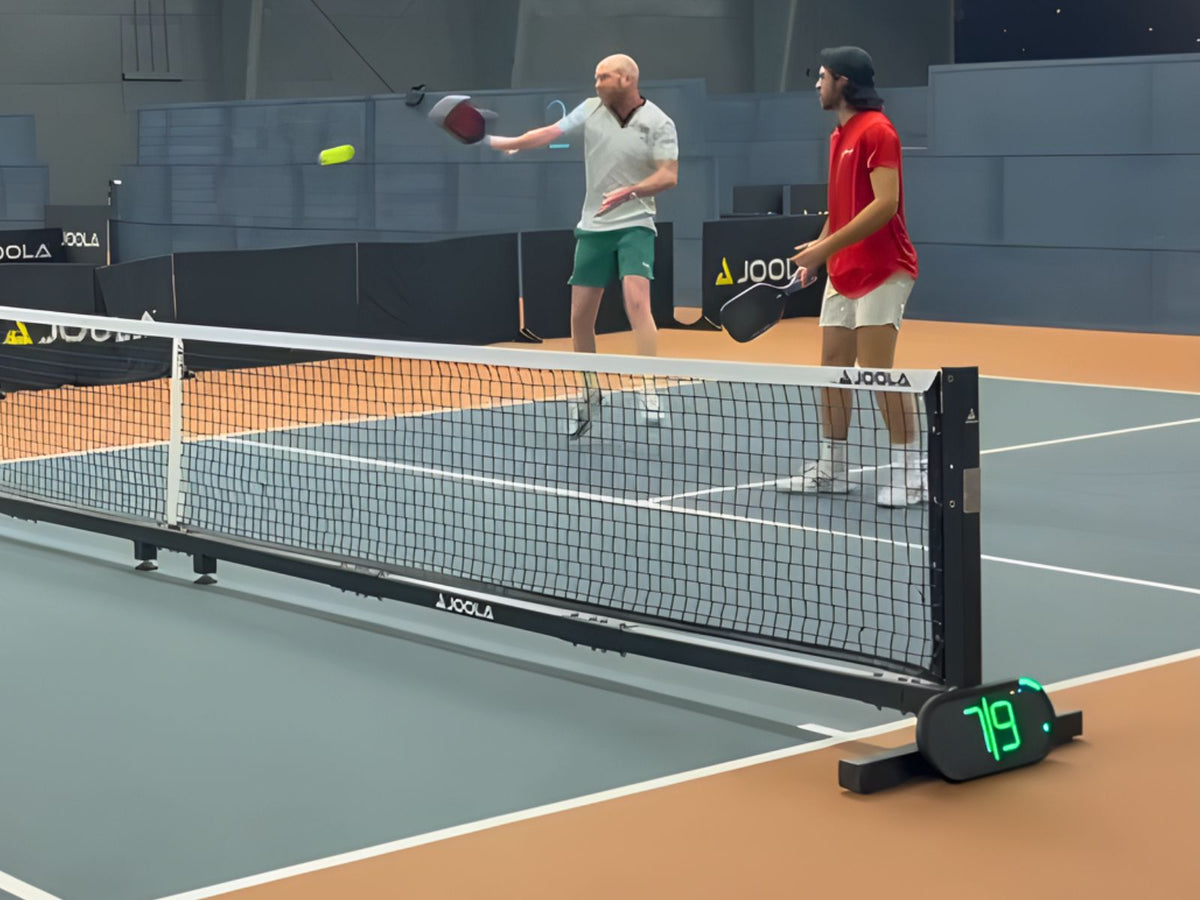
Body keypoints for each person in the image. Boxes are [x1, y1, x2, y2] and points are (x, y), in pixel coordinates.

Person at [486, 54, 679, 434]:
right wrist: (508, 142)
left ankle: (649, 385)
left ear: (624, 79)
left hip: (635, 223)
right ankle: (589, 390)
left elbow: (668, 176)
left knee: (637, 301)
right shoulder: (591, 109)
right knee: (580, 317)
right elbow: (550, 132)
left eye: (602, 77)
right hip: (593, 225)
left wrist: (631, 192)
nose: (595, 83)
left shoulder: (659, 123)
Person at [777, 46, 923, 507]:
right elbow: (842, 208)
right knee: (834, 372)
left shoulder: (878, 131)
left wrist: (826, 248)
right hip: (844, 270)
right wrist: (820, 253)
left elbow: (885, 205)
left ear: (842, 81)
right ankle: (833, 468)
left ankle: (912, 473)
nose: (816, 84)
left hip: (884, 268)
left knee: (878, 374)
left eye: (821, 76)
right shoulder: (839, 135)